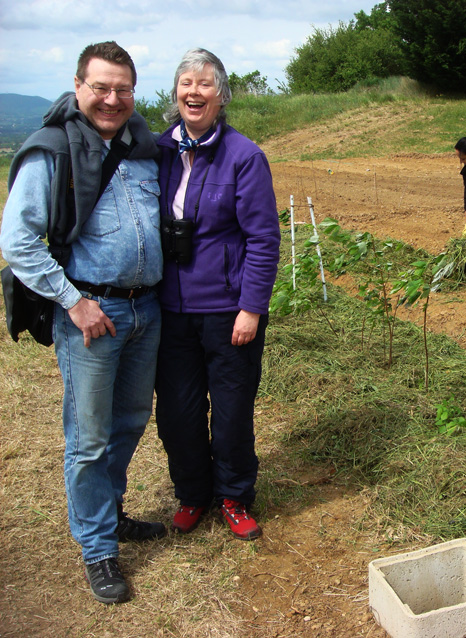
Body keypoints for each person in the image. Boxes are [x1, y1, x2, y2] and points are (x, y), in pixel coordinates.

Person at [0, 42, 165, 605]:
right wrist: (73, 300)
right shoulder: (51, 150)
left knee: (129, 421)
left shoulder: (143, 149)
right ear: (78, 87)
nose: (112, 99)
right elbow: (17, 240)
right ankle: (97, 548)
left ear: (134, 92)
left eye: (123, 89)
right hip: (92, 315)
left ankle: (109, 513)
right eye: (101, 87)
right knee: (89, 438)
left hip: (147, 310)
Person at [154, 49, 280, 541]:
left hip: (229, 312)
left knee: (231, 413)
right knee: (177, 414)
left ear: (222, 97)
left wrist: (251, 308)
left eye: (205, 84)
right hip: (169, 310)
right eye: (186, 82)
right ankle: (192, 493)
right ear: (176, 93)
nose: (194, 92)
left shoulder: (244, 156)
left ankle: (233, 495)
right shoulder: (157, 151)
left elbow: (263, 239)